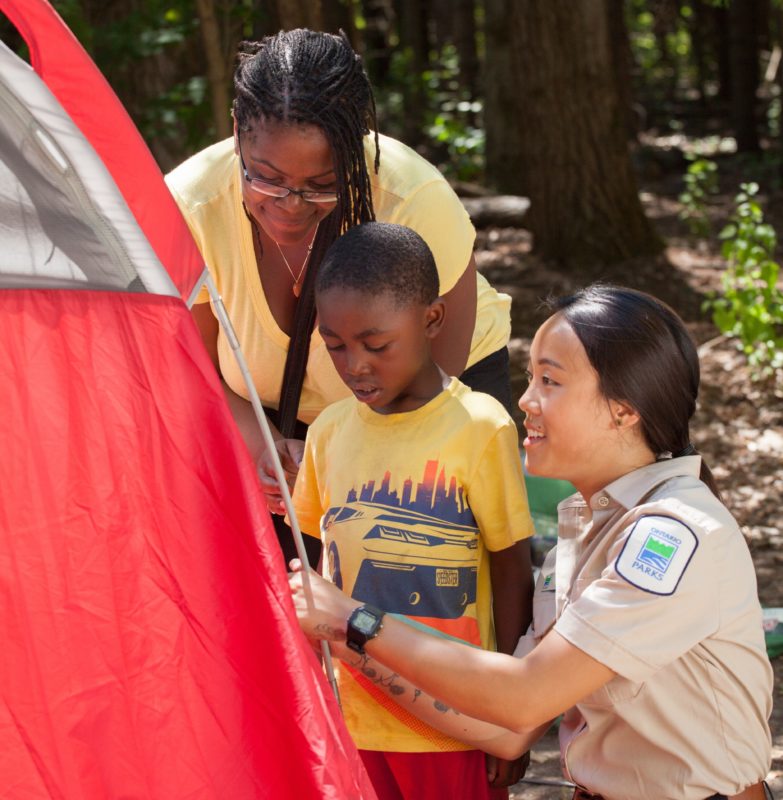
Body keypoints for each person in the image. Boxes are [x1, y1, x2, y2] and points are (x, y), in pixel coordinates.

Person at [291, 285, 775, 800]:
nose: (525, 401)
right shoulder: (582, 528)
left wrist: (356, 620)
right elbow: (507, 729)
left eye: (550, 380)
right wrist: (345, 638)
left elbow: (524, 697)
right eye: (529, 379)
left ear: (624, 410)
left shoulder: (672, 536)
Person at [165, 29, 512, 566]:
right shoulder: (189, 206)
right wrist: (264, 449)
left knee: (411, 582)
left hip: (431, 400)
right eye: (268, 179)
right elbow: (196, 373)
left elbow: (430, 392)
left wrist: (338, 459)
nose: (291, 205)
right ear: (237, 134)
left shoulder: (411, 198)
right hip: (276, 422)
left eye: (322, 184)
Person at [289, 222, 535, 799]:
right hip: (354, 718)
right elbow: (313, 569)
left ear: (431, 320)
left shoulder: (480, 426)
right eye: (336, 345)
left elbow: (511, 572)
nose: (355, 366)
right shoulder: (327, 431)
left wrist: (508, 719)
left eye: (376, 345)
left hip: (453, 721)